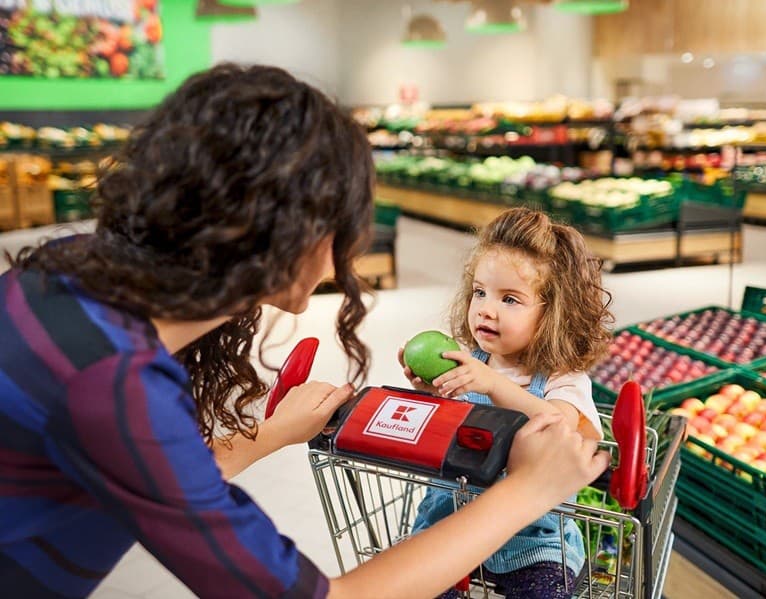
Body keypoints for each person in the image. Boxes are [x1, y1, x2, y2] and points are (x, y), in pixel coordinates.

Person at [0, 64, 609, 599]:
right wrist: (530, 489)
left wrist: (268, 435)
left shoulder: (66, 274)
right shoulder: (113, 386)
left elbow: (142, 467)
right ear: (289, 234)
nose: (342, 260)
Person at [400, 207, 614, 598]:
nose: (486, 308)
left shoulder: (563, 380)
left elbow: (562, 428)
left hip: (532, 544)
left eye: (510, 299)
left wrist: (492, 383)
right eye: (479, 292)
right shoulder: (467, 364)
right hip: (450, 528)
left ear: (555, 314)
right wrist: (432, 393)